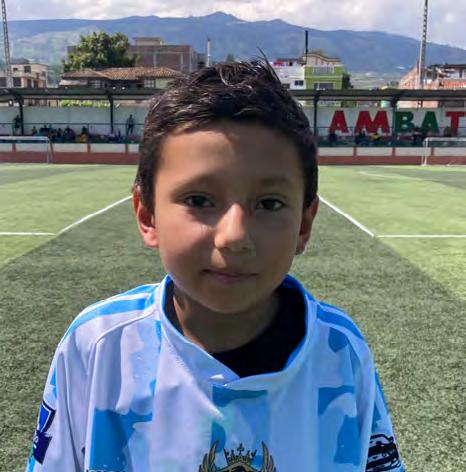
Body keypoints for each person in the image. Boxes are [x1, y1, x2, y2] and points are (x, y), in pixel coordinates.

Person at [26, 60, 404, 471]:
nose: (234, 236)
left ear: (304, 225)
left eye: (269, 204)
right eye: (200, 200)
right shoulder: (97, 347)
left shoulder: (340, 351)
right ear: (147, 215)